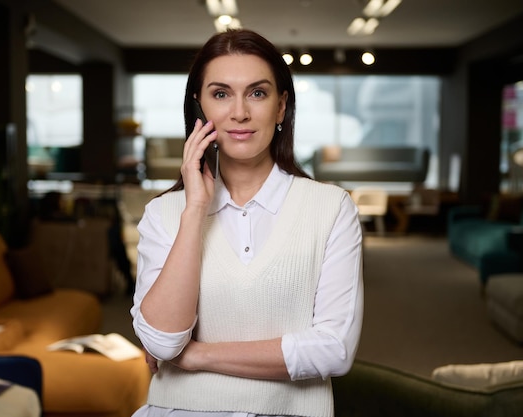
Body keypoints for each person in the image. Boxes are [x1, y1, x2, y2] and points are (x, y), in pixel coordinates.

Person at [131, 28, 363, 417]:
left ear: (281, 107)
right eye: (221, 94)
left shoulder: (331, 208)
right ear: (200, 108)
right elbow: (162, 342)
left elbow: (334, 350)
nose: (239, 112)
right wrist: (194, 210)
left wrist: (197, 356)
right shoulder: (164, 213)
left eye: (257, 93)